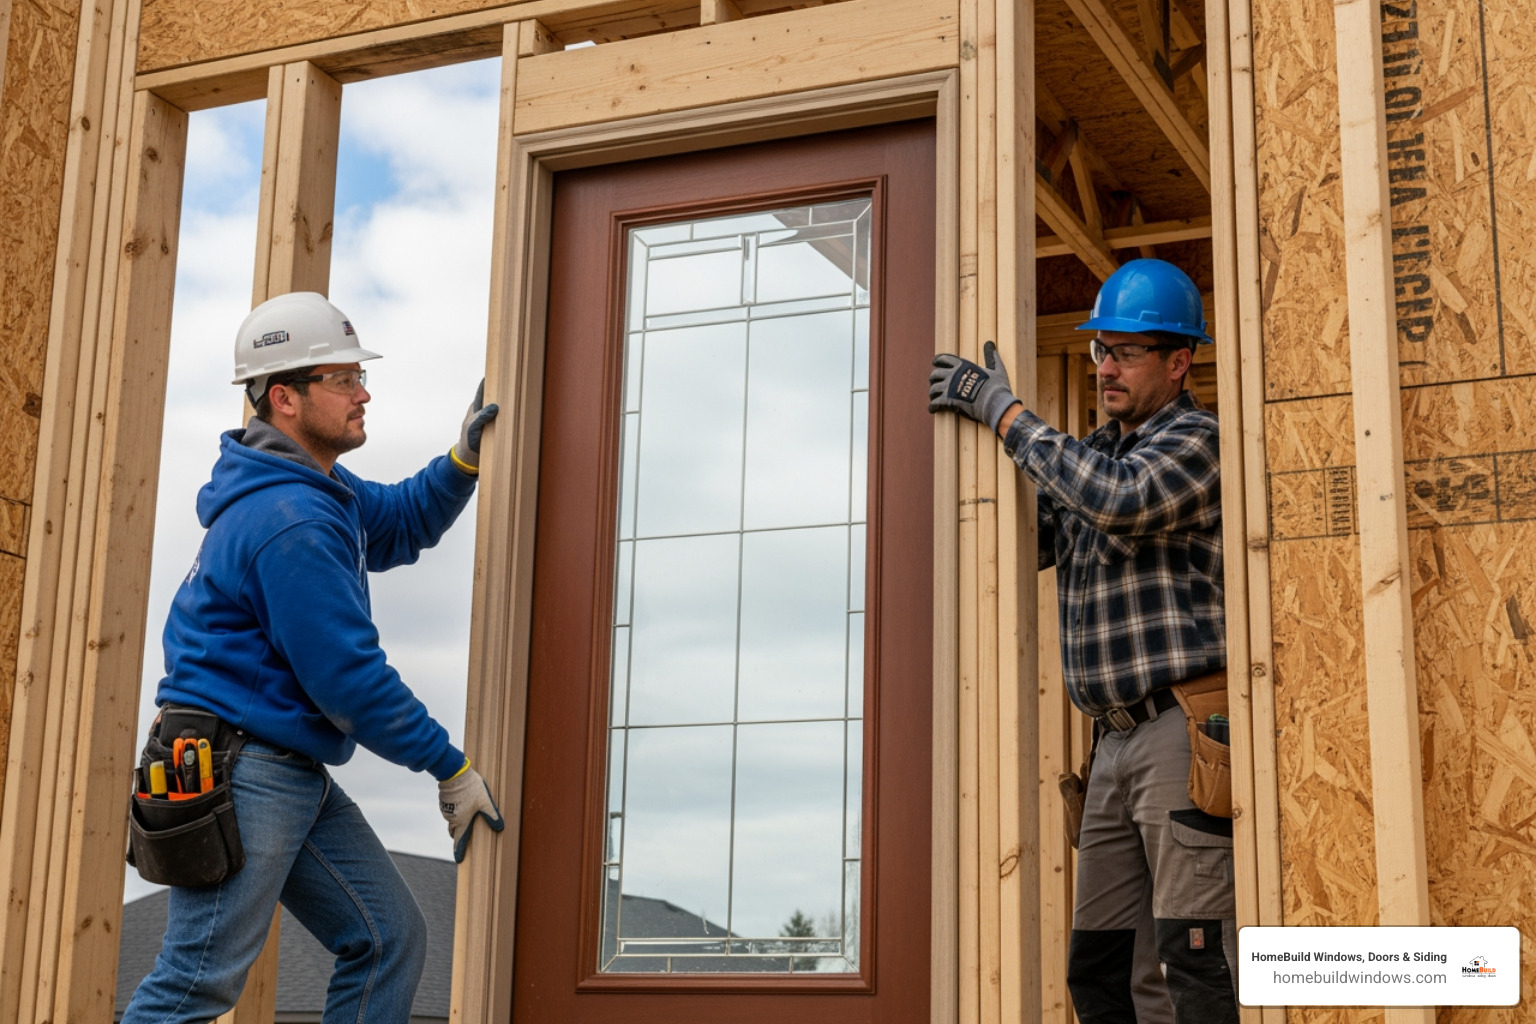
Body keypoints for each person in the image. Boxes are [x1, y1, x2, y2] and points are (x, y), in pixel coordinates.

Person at [121, 291, 505, 1024]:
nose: (364, 394)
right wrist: (448, 766)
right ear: (285, 398)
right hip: (241, 769)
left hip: (281, 764)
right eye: (344, 380)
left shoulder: (317, 488)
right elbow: (348, 682)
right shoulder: (287, 518)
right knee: (193, 985)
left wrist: (462, 462)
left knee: (386, 936)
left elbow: (394, 523)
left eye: (360, 377)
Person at [928, 260, 1236, 1023]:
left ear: (1178, 361)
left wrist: (1005, 415)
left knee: (1192, 959)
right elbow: (1023, 538)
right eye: (1100, 349)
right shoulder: (1089, 457)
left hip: (1179, 731)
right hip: (1109, 744)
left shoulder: (1199, 443)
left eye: (1125, 352)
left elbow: (1121, 501)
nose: (1105, 367)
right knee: (1099, 970)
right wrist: (970, 465)